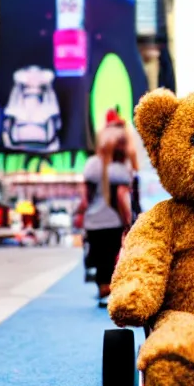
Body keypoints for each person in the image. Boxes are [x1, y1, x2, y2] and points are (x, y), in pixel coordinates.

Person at [80, 126, 133, 305]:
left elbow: (85, 196)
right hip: (113, 220)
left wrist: (82, 214)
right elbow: (121, 197)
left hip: (93, 220)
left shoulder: (91, 164)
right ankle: (110, 288)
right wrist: (128, 219)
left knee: (99, 255)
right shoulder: (119, 169)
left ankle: (102, 285)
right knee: (113, 256)